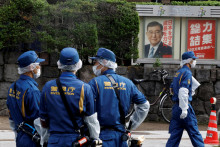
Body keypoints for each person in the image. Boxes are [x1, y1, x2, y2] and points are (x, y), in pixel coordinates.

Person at [39, 47, 100, 147]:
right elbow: (91, 120)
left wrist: (45, 140)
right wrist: (95, 139)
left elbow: (43, 119)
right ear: (78, 64)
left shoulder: (48, 87)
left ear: (60, 64)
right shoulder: (85, 88)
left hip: (54, 140)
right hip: (76, 141)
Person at [89, 48, 150, 147]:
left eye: (95, 62)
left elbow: (87, 111)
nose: (94, 65)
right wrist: (130, 126)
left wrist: (92, 133)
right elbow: (144, 105)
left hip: (102, 136)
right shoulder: (128, 83)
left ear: (104, 63)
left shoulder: (95, 83)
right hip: (121, 137)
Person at [7, 51, 45, 147]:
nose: (39, 67)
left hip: (20, 136)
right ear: (31, 68)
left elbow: (11, 114)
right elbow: (38, 120)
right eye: (38, 65)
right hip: (32, 139)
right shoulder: (32, 90)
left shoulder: (13, 86)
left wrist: (17, 132)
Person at [166, 51, 204, 147]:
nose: (195, 61)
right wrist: (184, 108)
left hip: (176, 107)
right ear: (189, 61)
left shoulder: (178, 72)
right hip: (184, 107)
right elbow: (183, 90)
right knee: (195, 134)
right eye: (193, 59)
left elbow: (171, 89)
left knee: (174, 136)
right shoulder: (187, 72)